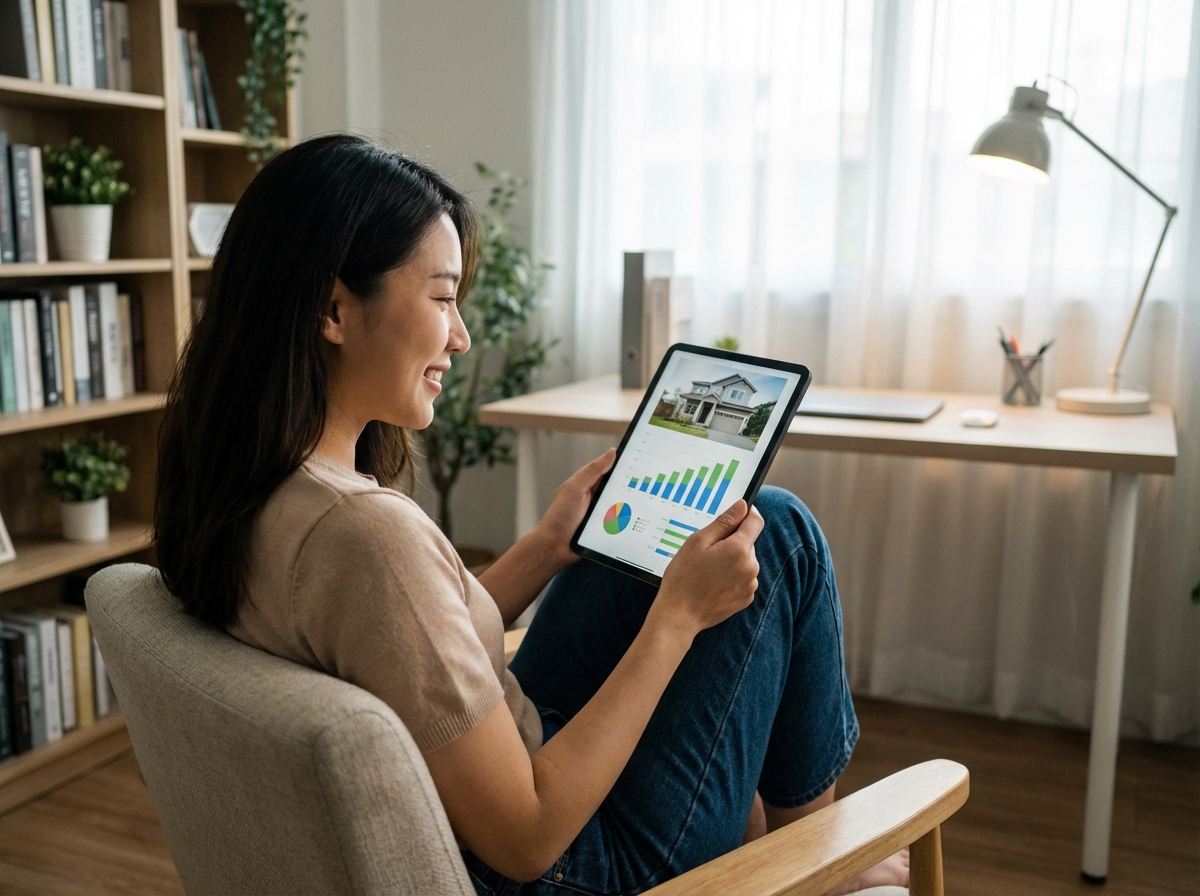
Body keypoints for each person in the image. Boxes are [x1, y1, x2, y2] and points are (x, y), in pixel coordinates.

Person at [154, 135, 907, 895]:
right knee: (778, 535)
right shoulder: (365, 534)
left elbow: (405, 648)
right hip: (567, 865)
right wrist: (676, 617)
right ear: (334, 309)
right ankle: (821, 863)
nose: (461, 335)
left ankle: (792, 840)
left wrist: (548, 547)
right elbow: (529, 838)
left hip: (477, 776)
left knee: (634, 547)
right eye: (443, 297)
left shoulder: (244, 484)